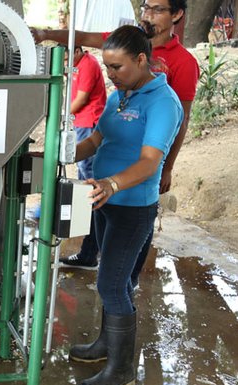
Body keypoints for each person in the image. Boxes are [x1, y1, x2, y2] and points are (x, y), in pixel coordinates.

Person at [31, 0, 197, 285]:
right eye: (146, 7)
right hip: (109, 190)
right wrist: (44, 33)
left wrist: (166, 168)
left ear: (177, 15)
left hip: (135, 189)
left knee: (118, 278)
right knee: (111, 272)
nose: (148, 15)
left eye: (157, 9)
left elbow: (178, 123)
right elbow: (97, 139)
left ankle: (124, 292)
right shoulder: (121, 70)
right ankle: (95, 263)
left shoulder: (179, 70)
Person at [68, 25, 182, 385]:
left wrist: (114, 184)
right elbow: (97, 140)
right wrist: (62, 155)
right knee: (112, 278)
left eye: (117, 66)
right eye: (107, 67)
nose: (110, 74)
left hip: (132, 207)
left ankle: (120, 370)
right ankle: (105, 344)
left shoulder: (162, 101)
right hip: (104, 200)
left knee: (113, 283)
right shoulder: (123, 95)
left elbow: (151, 161)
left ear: (141, 60)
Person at [47, 46, 107, 269]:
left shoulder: (89, 65)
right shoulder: (76, 65)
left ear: (78, 49)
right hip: (80, 124)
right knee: (84, 184)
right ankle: (90, 249)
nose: (65, 62)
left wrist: (59, 117)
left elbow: (81, 99)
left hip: (88, 124)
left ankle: (92, 251)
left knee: (90, 188)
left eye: (66, 57)